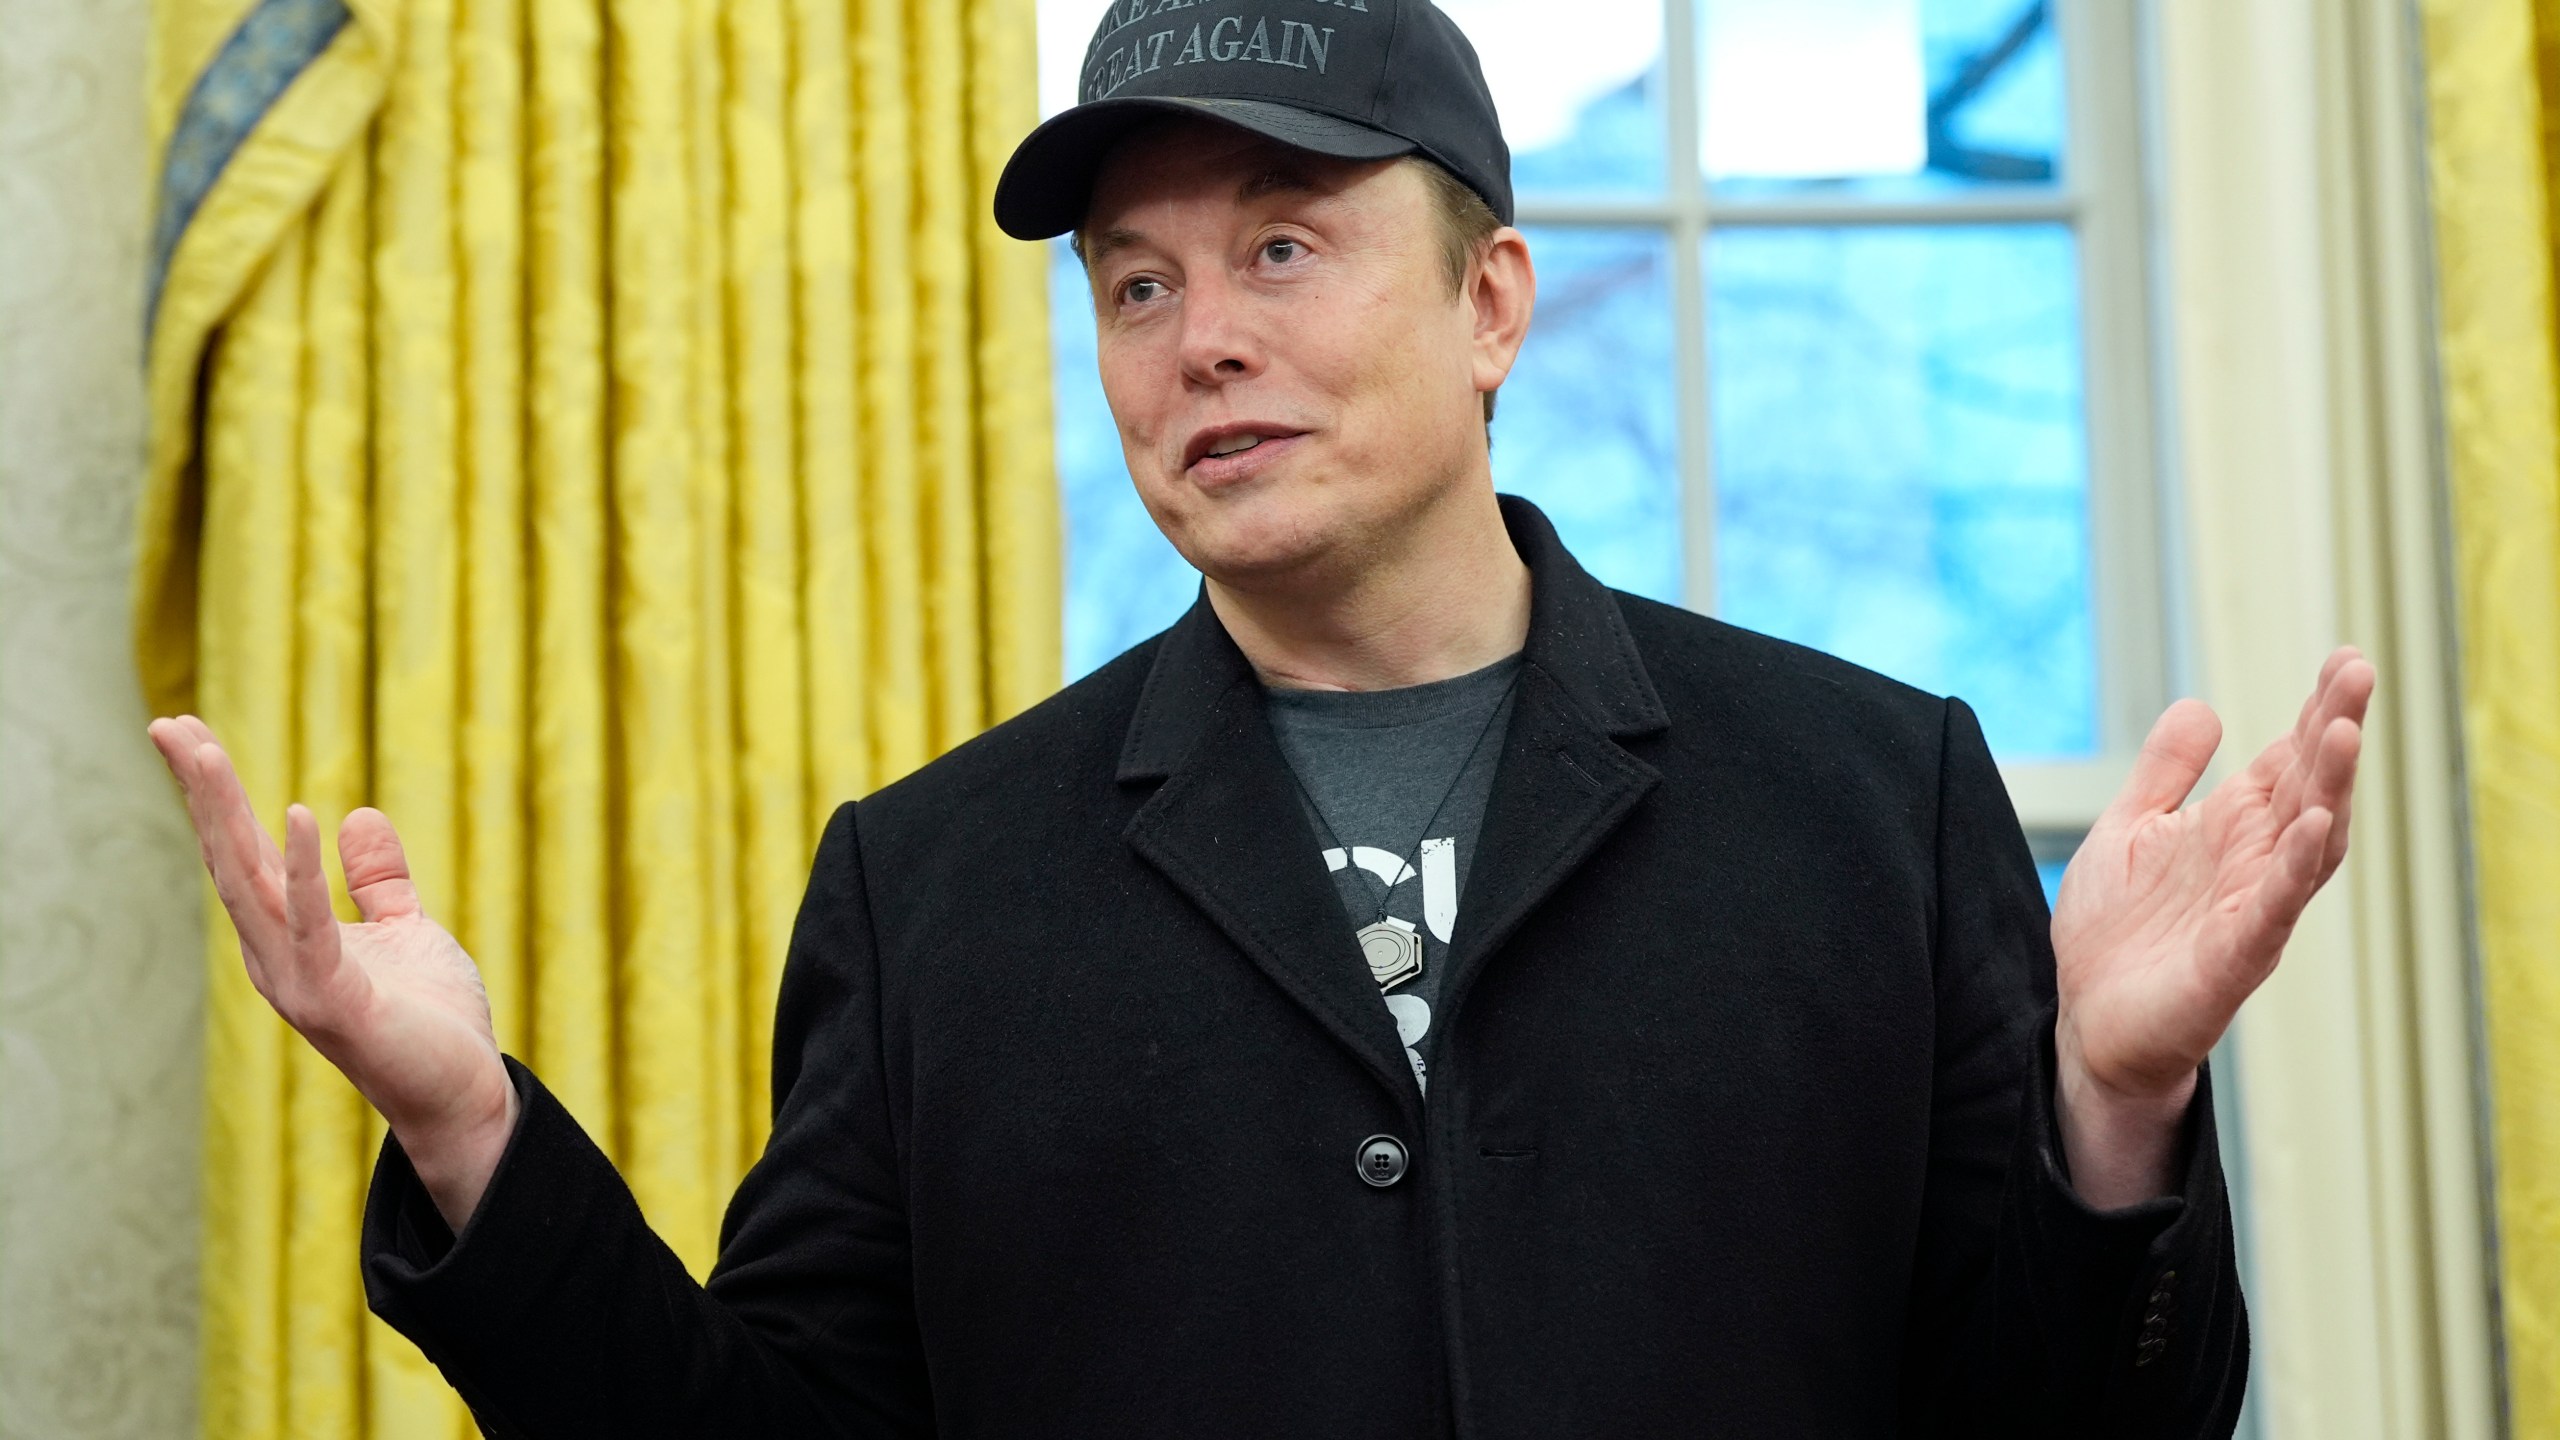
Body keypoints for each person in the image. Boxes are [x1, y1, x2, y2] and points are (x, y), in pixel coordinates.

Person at [147, 0, 2372, 1432]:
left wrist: (2110, 1104)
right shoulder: (930, 887)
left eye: (1283, 248)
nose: (1197, 336)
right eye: (1136, 282)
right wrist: (469, 1137)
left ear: (1490, 301)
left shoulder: (1865, 797)